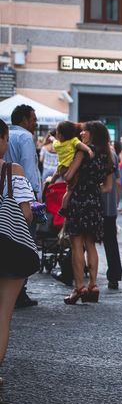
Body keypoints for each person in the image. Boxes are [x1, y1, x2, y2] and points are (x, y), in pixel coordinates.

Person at [62, 121, 114, 305]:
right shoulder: (107, 155)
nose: (82, 133)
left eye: (85, 130)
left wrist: (66, 174)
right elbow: (107, 187)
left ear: (91, 133)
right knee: (91, 244)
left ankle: (79, 288)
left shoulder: (83, 151)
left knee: (77, 244)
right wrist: (93, 188)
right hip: (95, 202)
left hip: (78, 199)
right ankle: (93, 286)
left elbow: (68, 176)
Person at [0, 119, 35, 385]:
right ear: (3, 140)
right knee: (3, 314)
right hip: (8, 247)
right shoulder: (13, 171)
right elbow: (25, 213)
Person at [6, 104, 41, 308]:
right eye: (33, 118)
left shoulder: (7, 135)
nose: (35, 122)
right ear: (24, 120)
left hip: (6, 195)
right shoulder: (26, 137)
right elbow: (28, 168)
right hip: (23, 196)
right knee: (26, 242)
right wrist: (34, 198)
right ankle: (20, 291)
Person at [52, 121, 94, 216]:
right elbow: (80, 145)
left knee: (68, 190)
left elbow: (53, 140)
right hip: (68, 168)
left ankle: (63, 208)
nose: (81, 133)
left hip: (61, 168)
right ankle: (63, 208)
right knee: (70, 190)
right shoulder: (73, 142)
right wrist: (88, 149)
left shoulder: (56, 144)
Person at [102, 147, 122, 290]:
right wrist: (116, 201)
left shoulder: (86, 152)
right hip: (109, 206)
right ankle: (114, 276)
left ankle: (71, 271)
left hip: (90, 204)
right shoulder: (112, 154)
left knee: (83, 241)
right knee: (111, 242)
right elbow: (118, 181)